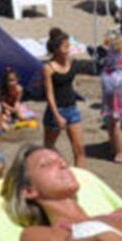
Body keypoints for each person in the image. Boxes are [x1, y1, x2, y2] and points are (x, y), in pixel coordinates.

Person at [41, 28, 87, 167]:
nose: (68, 50)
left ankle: (80, 178)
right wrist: (57, 116)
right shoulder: (48, 68)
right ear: (56, 49)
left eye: (69, 46)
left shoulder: (71, 62)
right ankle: (57, 168)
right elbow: (49, 94)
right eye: (65, 47)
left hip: (72, 109)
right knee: (49, 147)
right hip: (55, 111)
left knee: (79, 149)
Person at [98, 33, 122, 163]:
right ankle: (120, 154)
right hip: (121, 84)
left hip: (108, 81)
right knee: (119, 121)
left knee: (111, 118)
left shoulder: (112, 45)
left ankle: (113, 149)